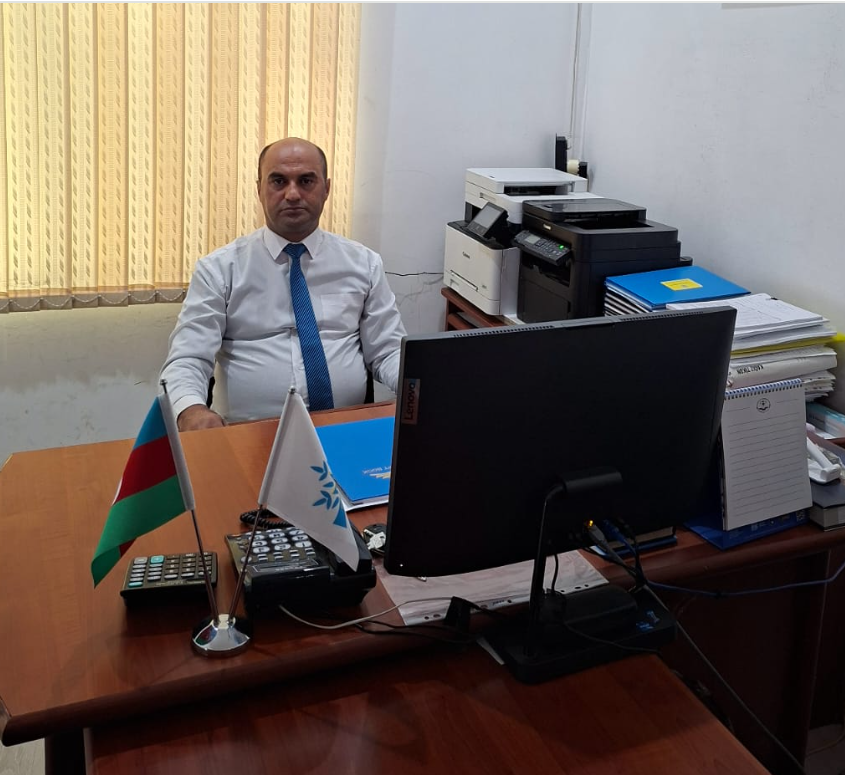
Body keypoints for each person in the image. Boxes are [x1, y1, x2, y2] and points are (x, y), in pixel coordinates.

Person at [161, 137, 406, 431]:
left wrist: (418, 387)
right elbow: (188, 358)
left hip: (345, 428)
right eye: (278, 181)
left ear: (326, 189)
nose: (292, 194)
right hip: (247, 433)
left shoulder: (363, 264)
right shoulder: (220, 269)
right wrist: (190, 409)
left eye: (306, 181)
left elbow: (389, 351)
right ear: (259, 189)